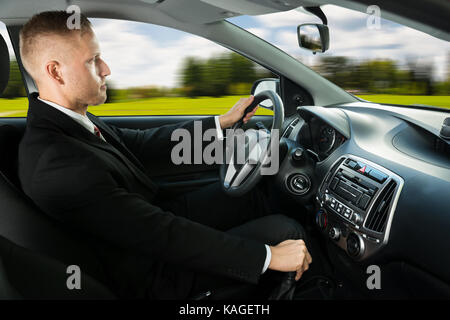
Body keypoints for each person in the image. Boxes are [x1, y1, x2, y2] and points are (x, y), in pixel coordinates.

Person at [17, 11, 312, 299]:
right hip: (152, 275)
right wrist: (266, 256)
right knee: (285, 232)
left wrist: (220, 123)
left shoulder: (71, 119)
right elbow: (161, 235)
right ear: (55, 71)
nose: (106, 69)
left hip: (149, 227)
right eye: (93, 60)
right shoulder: (56, 163)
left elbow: (143, 144)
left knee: (253, 192)